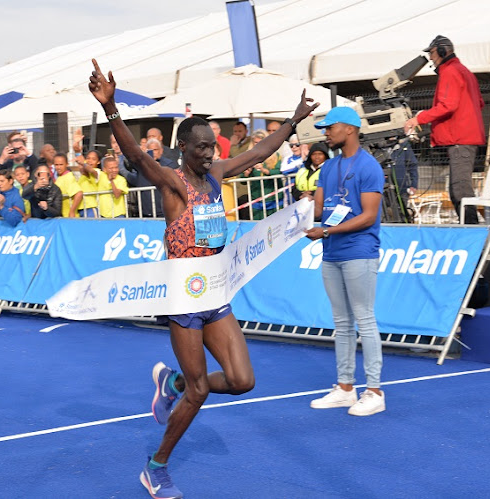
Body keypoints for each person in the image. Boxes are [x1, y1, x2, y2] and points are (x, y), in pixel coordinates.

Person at [89, 58, 318, 499]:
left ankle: (170, 383)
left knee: (241, 380)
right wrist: (111, 108)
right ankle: (156, 467)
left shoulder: (215, 175)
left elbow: (256, 154)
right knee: (199, 391)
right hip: (183, 299)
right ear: (183, 149)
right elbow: (135, 154)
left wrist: (291, 122)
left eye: (212, 146)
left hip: (216, 292)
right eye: (201, 148)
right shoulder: (172, 183)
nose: (210, 153)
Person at [304, 107, 386, 417]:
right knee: (341, 323)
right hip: (332, 251)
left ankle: (375, 391)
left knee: (364, 319)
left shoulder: (369, 166)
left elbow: (368, 216)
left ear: (349, 129)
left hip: (359, 251)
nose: (325, 132)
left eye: (330, 127)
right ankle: (345, 388)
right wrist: (292, 214)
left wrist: (325, 229)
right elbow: (319, 210)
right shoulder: (327, 167)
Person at [404, 35, 485, 225]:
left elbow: (447, 105)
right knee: (458, 189)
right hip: (464, 138)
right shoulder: (464, 71)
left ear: (442, 51)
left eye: (431, 53)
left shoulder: (450, 72)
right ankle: (470, 229)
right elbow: (479, 103)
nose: (430, 58)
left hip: (460, 140)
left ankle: (472, 232)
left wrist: (417, 119)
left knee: (460, 190)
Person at [389, 141, 419, 222]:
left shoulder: (404, 145)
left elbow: (412, 164)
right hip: (382, 187)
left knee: (401, 214)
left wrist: (414, 184)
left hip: (401, 187)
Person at [53, 153, 82, 218]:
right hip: (62, 216)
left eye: (61, 164)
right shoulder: (59, 178)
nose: (59, 167)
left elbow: (79, 193)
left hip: (69, 217)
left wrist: (72, 211)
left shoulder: (68, 177)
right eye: (56, 165)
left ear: (67, 164)